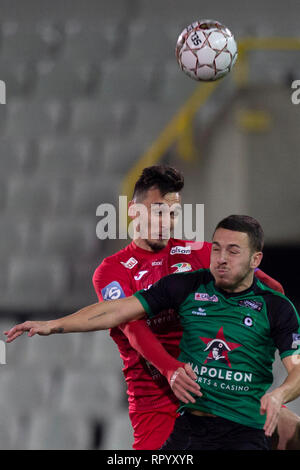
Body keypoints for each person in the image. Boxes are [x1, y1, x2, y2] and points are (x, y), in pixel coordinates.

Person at [5, 212, 300, 449]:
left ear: (255, 259)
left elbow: (297, 370)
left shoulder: (277, 308)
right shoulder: (187, 284)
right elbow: (116, 310)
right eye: (217, 248)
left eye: (233, 251)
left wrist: (279, 395)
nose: (221, 258)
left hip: (242, 432)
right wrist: (54, 325)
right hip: (190, 429)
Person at [91, 165, 286, 449]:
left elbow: (273, 290)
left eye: (172, 214)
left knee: (291, 432)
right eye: (157, 211)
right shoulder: (112, 270)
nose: (166, 222)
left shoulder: (199, 252)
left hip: (216, 398)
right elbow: (132, 327)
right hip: (156, 403)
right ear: (133, 210)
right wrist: (171, 369)